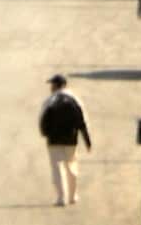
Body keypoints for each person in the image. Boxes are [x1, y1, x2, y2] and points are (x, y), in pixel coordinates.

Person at [39, 74, 92, 206]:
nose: (51, 87)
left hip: (53, 139)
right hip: (71, 139)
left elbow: (42, 120)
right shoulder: (74, 99)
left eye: (52, 84)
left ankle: (61, 198)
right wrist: (87, 141)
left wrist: (45, 134)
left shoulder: (50, 100)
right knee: (71, 166)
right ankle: (73, 196)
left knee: (57, 168)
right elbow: (82, 121)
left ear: (56, 86)